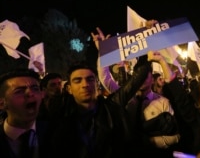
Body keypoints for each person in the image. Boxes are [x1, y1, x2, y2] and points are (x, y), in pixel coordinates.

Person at [92, 27, 180, 157]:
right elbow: (105, 77)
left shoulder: (163, 102)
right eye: (139, 76)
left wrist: (149, 142)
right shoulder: (124, 97)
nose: (142, 79)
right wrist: (103, 51)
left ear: (152, 79)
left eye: (146, 76)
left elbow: (176, 136)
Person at [48, 52, 153, 158]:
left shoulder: (112, 106)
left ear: (97, 84)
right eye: (77, 81)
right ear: (69, 89)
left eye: (90, 79)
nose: (85, 85)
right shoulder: (59, 121)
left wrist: (147, 52)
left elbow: (137, 78)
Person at [0, 68, 50, 158]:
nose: (30, 93)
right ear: (2, 103)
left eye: (35, 89)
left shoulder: (57, 132)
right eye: (19, 91)